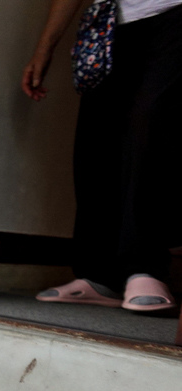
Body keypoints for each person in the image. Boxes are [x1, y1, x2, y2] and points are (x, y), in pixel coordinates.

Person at [23, 0, 182, 313]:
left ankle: (145, 268)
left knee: (150, 125)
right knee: (97, 138)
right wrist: (44, 48)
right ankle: (99, 276)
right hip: (109, 21)